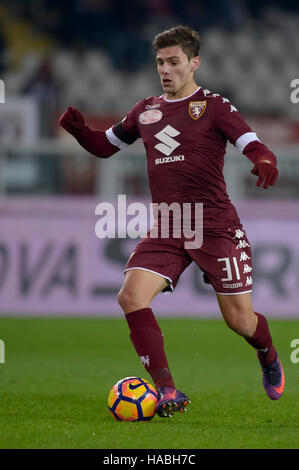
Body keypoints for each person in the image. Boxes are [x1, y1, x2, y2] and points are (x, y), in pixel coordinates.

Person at [59, 25, 284, 418]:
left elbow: (252, 143)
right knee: (130, 296)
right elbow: (104, 146)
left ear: (194, 63)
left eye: (174, 62)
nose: (166, 69)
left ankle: (267, 352)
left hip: (215, 225)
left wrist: (265, 160)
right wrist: (80, 132)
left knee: (240, 321)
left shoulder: (214, 106)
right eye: (160, 62)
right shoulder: (144, 111)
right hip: (169, 224)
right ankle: (167, 391)